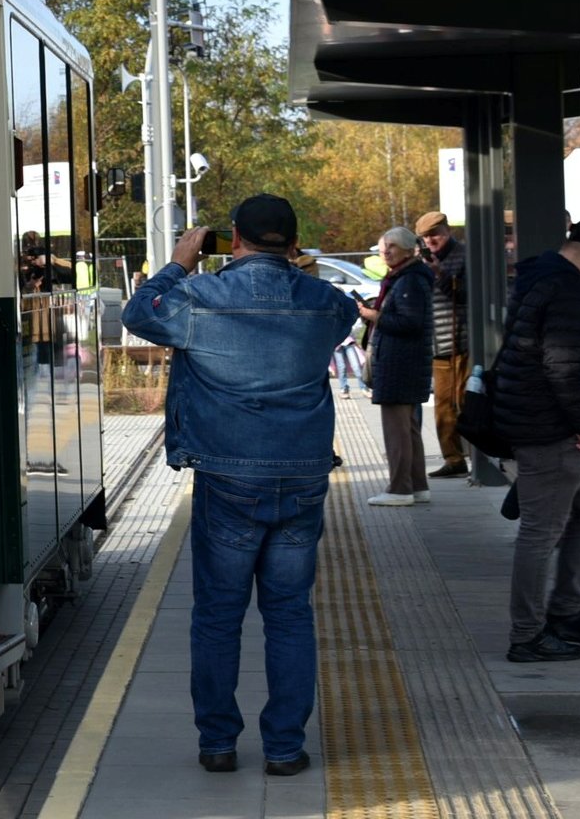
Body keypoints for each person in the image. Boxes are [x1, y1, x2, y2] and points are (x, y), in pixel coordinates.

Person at [122, 194, 357, 778]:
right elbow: (344, 314)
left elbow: (138, 313)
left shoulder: (200, 297)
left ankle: (219, 744)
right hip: (302, 476)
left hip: (227, 476)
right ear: (294, 242)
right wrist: (298, 272)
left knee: (219, 615)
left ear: (233, 237)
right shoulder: (325, 301)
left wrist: (180, 261)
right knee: (290, 613)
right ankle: (283, 748)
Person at [494, 216, 580, 662]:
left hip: (544, 419)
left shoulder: (541, 277)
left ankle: (566, 610)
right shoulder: (568, 290)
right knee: (540, 532)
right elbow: (562, 365)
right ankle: (528, 635)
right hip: (551, 426)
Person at [357, 227, 434, 505]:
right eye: (382, 247)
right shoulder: (406, 277)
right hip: (404, 361)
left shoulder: (409, 280)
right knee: (409, 428)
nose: (386, 252)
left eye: (391, 246)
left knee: (397, 430)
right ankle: (417, 485)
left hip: (400, 362)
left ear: (406, 249)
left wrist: (373, 315)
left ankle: (400, 489)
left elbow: (410, 323)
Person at [415, 211, 471, 478]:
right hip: (438, 344)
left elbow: (468, 296)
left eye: (434, 235)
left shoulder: (465, 255)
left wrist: (440, 276)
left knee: (464, 402)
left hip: (463, 341)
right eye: (425, 237)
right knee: (443, 407)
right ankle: (453, 458)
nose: (430, 241)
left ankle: (476, 456)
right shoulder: (422, 261)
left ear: (447, 231)